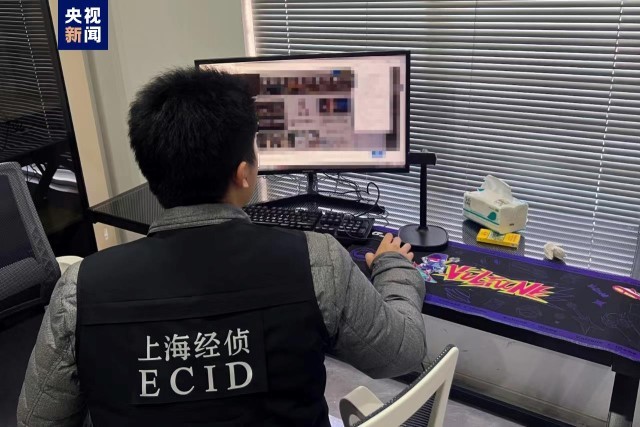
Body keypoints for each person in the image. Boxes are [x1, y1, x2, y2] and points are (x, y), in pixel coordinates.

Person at [18, 68, 426, 427]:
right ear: (244, 174)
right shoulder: (318, 261)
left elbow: (37, 419)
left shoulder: (80, 290)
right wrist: (393, 267)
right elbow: (402, 353)